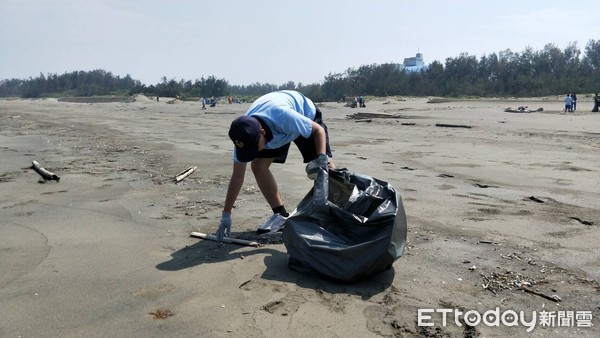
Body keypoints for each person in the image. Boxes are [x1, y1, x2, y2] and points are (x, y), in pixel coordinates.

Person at [216, 90, 335, 241]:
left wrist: (321, 158)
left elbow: (319, 131)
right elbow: (237, 176)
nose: (251, 152)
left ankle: (336, 213)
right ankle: (280, 215)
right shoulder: (243, 137)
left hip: (304, 115)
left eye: (253, 147)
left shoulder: (283, 116)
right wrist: (226, 214)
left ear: (262, 133)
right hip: (275, 131)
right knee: (258, 165)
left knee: (325, 169)